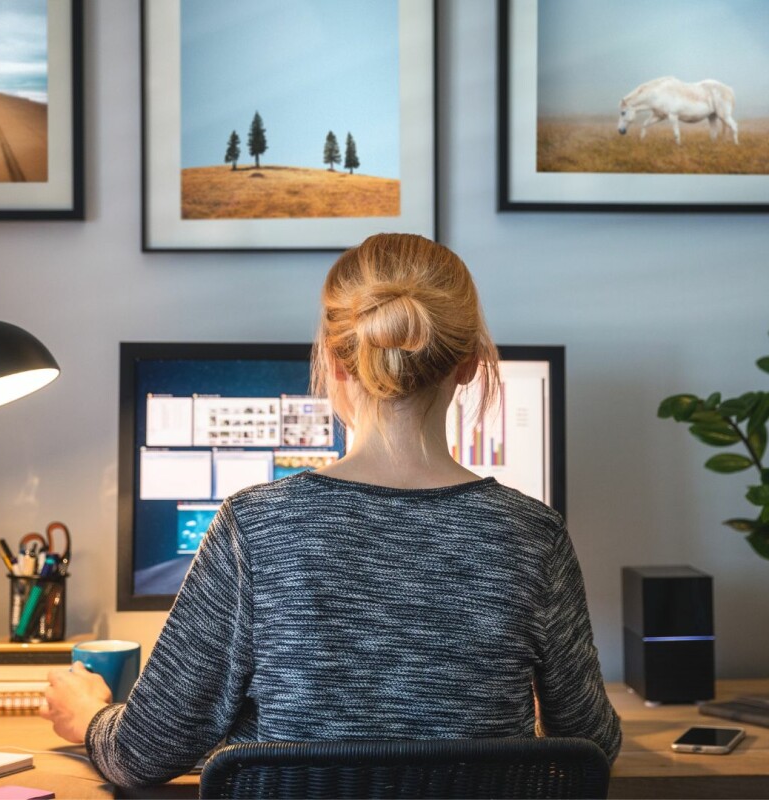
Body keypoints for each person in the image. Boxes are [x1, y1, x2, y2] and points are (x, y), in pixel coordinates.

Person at [41, 233, 621, 785]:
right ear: (469, 364)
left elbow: (144, 754)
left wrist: (90, 716)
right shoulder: (533, 535)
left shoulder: (255, 527)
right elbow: (591, 743)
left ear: (337, 363)